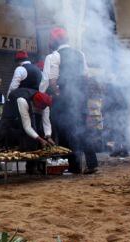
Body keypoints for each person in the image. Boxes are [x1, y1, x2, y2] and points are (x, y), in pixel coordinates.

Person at [42, 27, 97, 174]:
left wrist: (58, 94)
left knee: (65, 131)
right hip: (80, 98)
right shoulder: (80, 54)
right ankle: (92, 164)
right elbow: (86, 77)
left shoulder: (53, 57)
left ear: (54, 41)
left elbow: (52, 82)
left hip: (64, 100)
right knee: (83, 130)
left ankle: (74, 166)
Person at [0, 88, 54, 174]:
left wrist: (48, 136)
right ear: (35, 104)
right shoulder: (22, 100)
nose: (41, 110)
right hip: (11, 109)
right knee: (2, 133)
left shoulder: (45, 102)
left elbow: (46, 121)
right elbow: (27, 127)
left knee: (33, 136)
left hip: (27, 109)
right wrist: (40, 139)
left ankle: (31, 167)